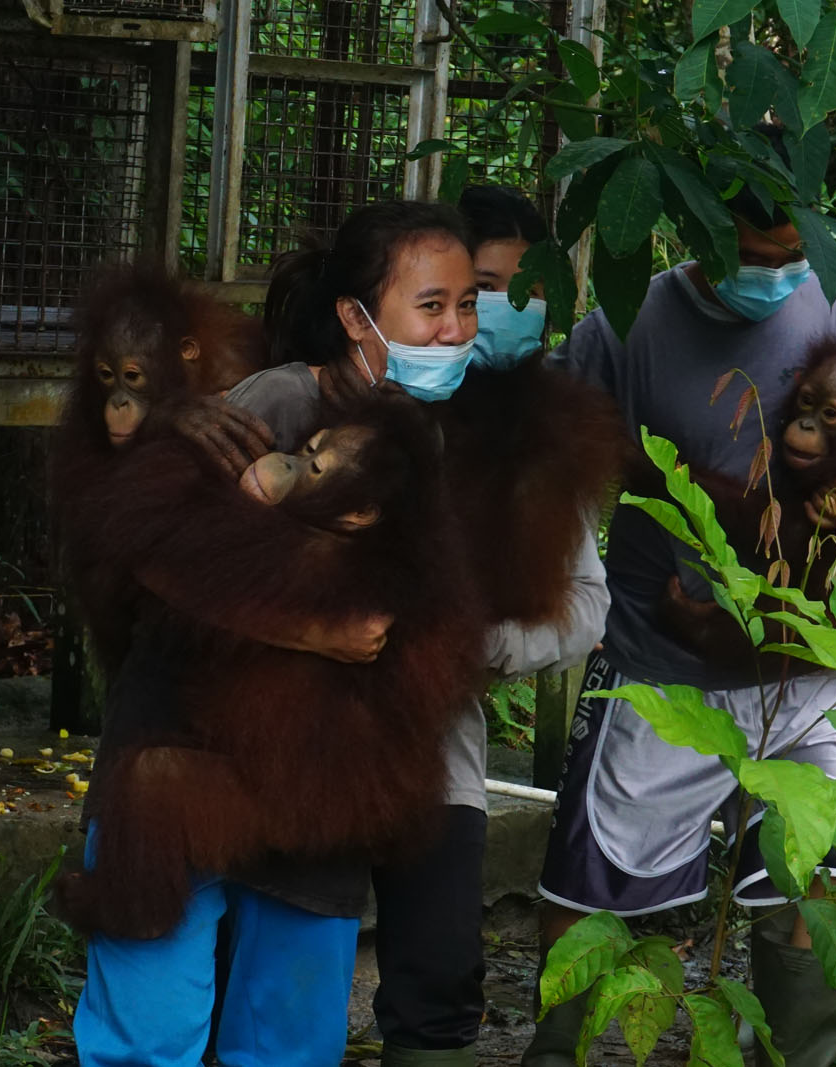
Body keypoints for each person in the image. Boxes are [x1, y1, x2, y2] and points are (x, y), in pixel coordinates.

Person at [523, 127, 836, 1067]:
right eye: (748, 259)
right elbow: (554, 469)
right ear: (695, 230)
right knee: (593, 893)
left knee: (827, 880)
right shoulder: (625, 326)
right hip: (659, 664)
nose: (771, 275)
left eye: (789, 254)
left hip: (810, 665)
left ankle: (802, 1052)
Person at [69, 201, 485, 1067]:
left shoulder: (439, 442)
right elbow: (135, 554)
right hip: (182, 759)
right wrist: (311, 629)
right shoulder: (272, 402)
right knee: (149, 1031)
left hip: (318, 790)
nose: (453, 330)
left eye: (467, 305)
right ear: (356, 317)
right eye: (431, 306)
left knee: (287, 1041)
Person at [237, 191, 614, 1067]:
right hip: (293, 739)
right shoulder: (296, 400)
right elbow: (192, 548)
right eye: (464, 292)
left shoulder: (525, 434)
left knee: (439, 981)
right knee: (277, 982)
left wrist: (464, 637)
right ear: (376, 308)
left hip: (436, 751)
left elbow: (585, 600)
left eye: (488, 302)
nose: (471, 323)